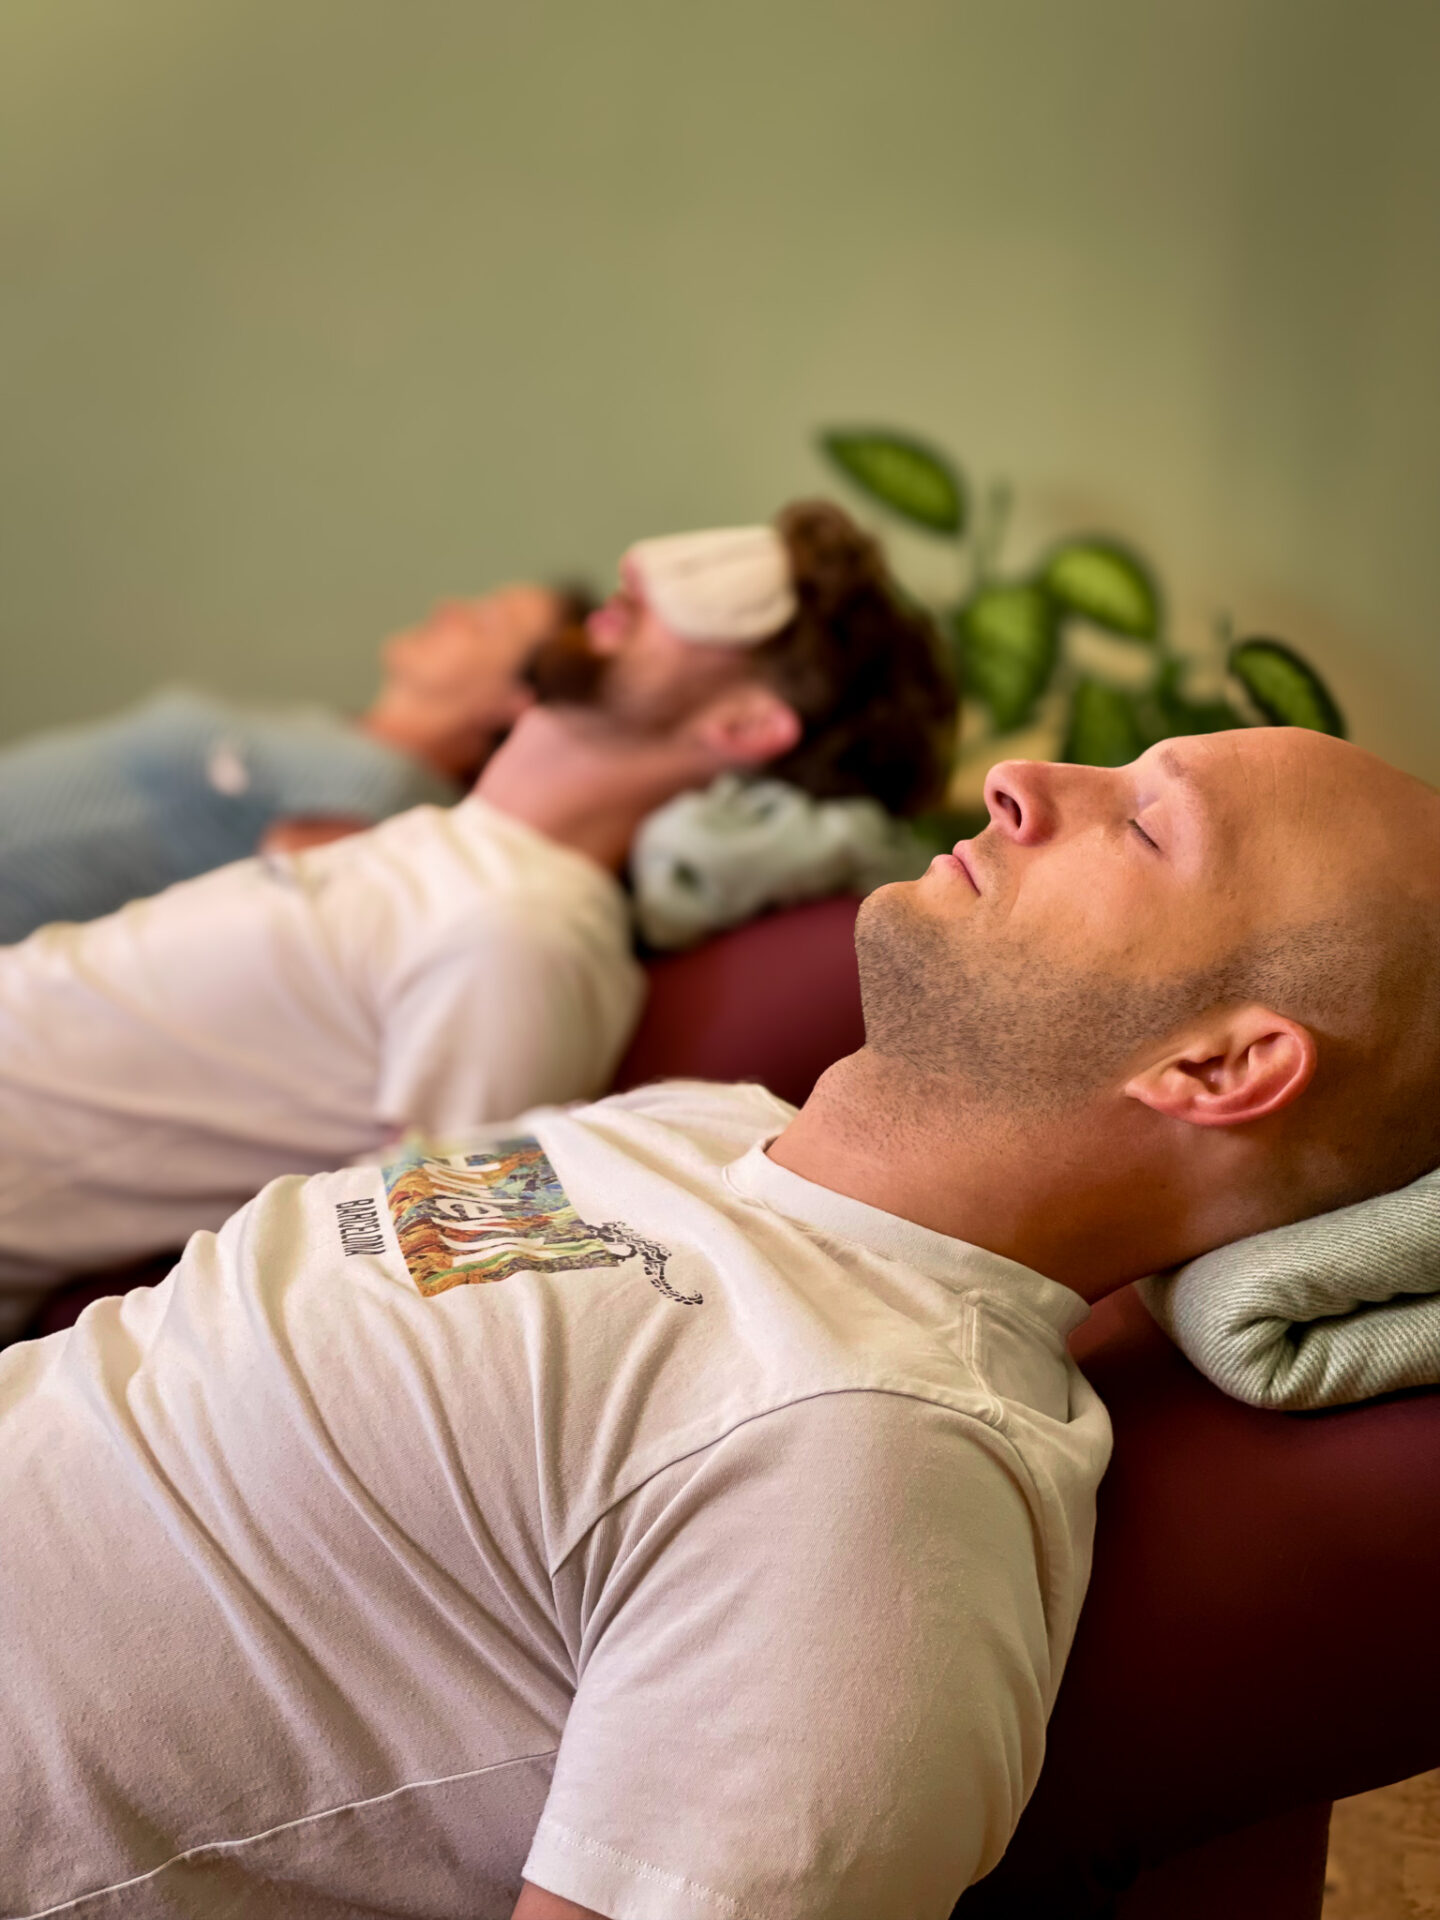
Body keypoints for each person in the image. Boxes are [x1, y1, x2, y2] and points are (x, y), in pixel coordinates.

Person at [1, 727, 1436, 1920]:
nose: (1022, 775)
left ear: (1222, 1065)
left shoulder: (865, 1462)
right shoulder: (706, 1134)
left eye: (1141, 828)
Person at [0, 500, 957, 1331]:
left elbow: (419, 1286)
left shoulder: (523, 933)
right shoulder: (440, 849)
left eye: (726, 599)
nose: (639, 574)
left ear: (744, 725)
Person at [0, 580, 587, 943]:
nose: (451, 608)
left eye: (489, 622)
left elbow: (262, 941)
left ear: (518, 702)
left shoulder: (387, 792)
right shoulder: (334, 736)